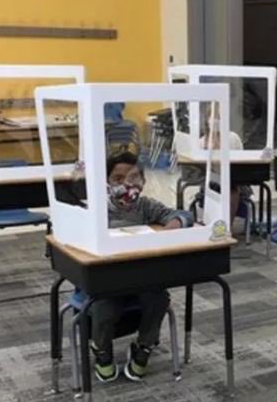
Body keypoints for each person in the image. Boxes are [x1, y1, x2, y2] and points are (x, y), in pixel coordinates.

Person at [90, 151, 193, 383]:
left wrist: (170, 229)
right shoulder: (97, 209)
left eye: (134, 178)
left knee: (158, 298)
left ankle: (144, 348)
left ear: (143, 182)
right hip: (107, 280)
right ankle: (101, 350)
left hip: (142, 278)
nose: (127, 184)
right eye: (118, 179)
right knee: (105, 307)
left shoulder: (145, 206)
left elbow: (183, 215)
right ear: (106, 181)